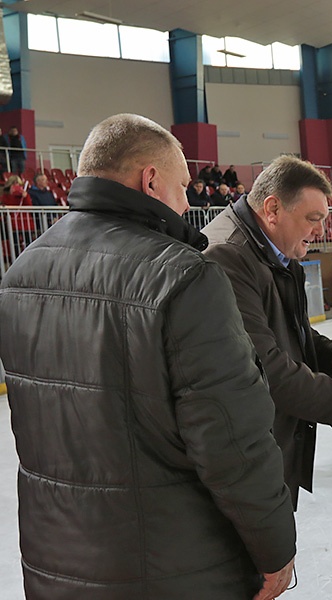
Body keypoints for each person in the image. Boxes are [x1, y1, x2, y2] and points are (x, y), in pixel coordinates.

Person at [0, 113, 296, 599]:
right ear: (150, 180)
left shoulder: (19, 274)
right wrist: (275, 547)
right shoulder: (183, 277)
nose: (187, 203)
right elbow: (230, 440)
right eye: (182, 188)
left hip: (55, 565)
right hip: (175, 569)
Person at [202, 155, 332, 509]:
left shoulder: (270, 251)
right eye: (313, 219)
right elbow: (261, 365)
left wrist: (329, 355)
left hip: (264, 451)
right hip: (241, 462)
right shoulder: (227, 257)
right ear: (272, 209)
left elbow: (283, 330)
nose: (321, 231)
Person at [1, 175, 35, 252]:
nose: (17, 186)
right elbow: (8, 206)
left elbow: (29, 207)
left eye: (18, 184)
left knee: (28, 244)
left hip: (26, 223)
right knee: (15, 245)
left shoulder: (24, 195)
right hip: (14, 224)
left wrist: (25, 197)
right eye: (14, 184)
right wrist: (11, 194)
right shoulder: (5, 196)